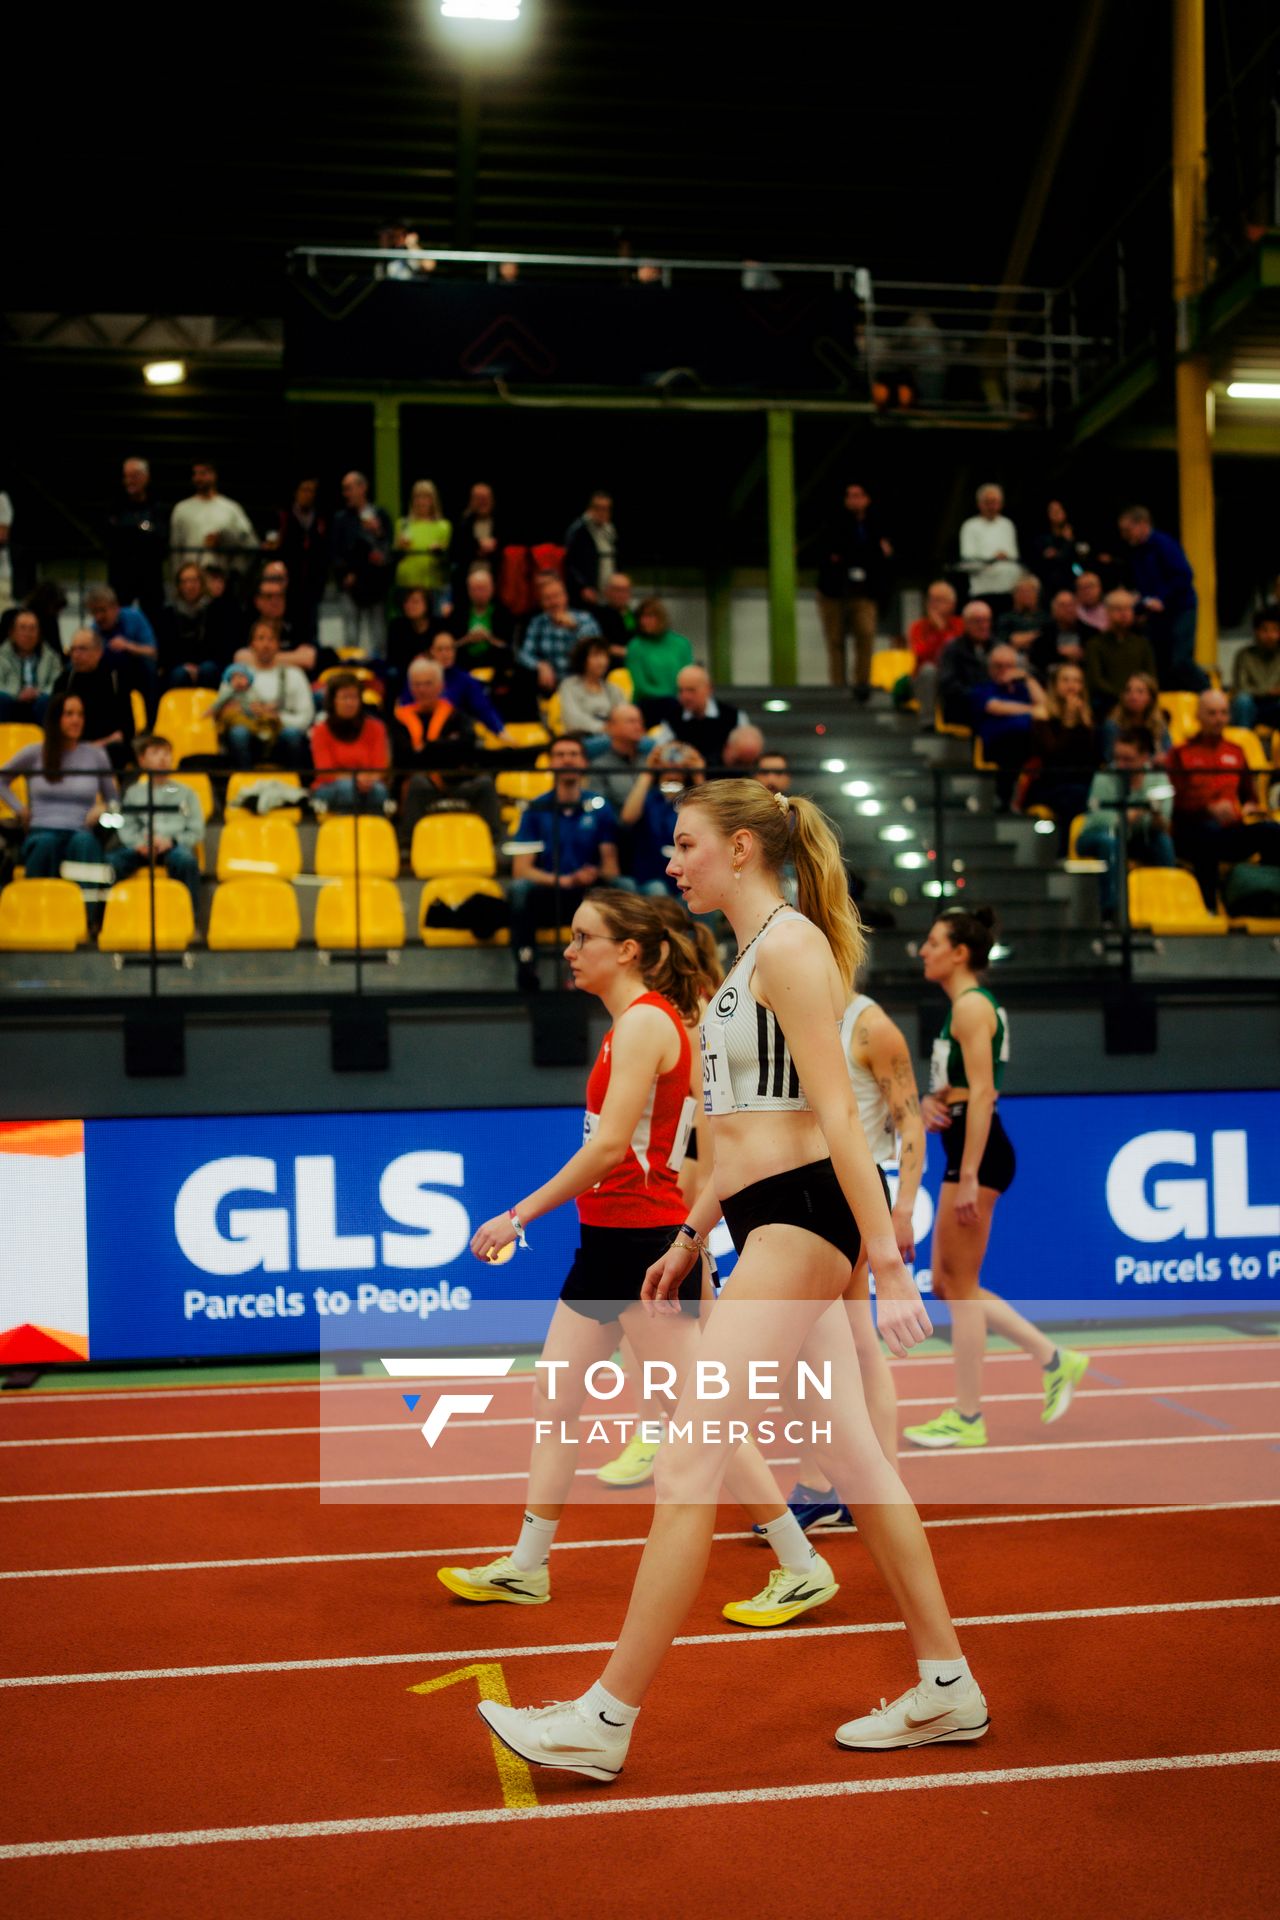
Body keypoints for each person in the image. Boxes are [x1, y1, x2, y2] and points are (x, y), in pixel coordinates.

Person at [478, 781, 985, 1780]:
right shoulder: (743, 965)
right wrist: (690, 1228)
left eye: (685, 846)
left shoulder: (790, 946)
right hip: (760, 1216)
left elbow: (835, 1119)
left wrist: (887, 1261)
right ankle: (946, 1687)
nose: (670, 863)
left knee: (688, 1464)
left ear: (742, 848)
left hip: (802, 1220)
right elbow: (740, 1133)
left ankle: (604, 1719)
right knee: (859, 1465)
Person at [453, 890, 825, 1621]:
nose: (569, 949)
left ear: (626, 950)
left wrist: (518, 1215)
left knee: (700, 1414)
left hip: (641, 1245)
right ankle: (528, 1564)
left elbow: (610, 1146)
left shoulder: (649, 1023)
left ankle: (800, 1560)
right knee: (556, 1394)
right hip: (609, 1241)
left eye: (583, 936)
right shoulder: (634, 1025)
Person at [905, 906, 1088, 1450]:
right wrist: (932, 1101)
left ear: (960, 953)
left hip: (977, 1153)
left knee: (956, 1287)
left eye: (934, 942)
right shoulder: (964, 1009)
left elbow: (984, 1093)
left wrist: (965, 1174)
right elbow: (961, 1088)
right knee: (946, 1284)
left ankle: (969, 1415)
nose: (924, 950)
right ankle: (1054, 1358)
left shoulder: (970, 1008)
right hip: (966, 1142)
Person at [774, 985, 928, 1530]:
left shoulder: (870, 1026)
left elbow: (910, 1121)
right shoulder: (782, 1004)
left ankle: (871, 1485)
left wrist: (904, 1207)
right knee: (817, 1348)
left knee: (855, 1346)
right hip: (800, 1186)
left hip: (854, 1189)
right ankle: (827, 1483)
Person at [510, 736, 620, 991]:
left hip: (588, 891)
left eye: (573, 754)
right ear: (550, 763)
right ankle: (527, 968)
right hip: (548, 892)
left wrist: (593, 873)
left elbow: (611, 868)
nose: (567, 759)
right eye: (560, 755)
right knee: (518, 890)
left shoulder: (599, 808)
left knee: (623, 886)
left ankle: (622, 968)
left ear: (583, 762)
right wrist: (562, 880)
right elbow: (521, 869)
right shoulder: (536, 808)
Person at [1168, 688, 1280, 910]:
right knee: (1206, 832)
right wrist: (1208, 808)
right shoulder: (1181, 753)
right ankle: (1209, 907)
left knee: (1271, 831)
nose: (1218, 719)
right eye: (1212, 713)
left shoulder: (1236, 751)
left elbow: (1249, 796)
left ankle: (1266, 897)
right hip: (1191, 831)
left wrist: (1249, 807)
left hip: (1230, 830)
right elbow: (1174, 802)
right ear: (1198, 716)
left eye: (1223, 713)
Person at [0, 694, 117, 904]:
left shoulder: (95, 755)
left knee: (86, 843)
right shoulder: (35, 752)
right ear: (55, 718)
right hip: (42, 830)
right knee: (46, 844)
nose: (76, 720)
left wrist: (103, 807)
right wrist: (19, 808)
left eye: (80, 714)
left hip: (80, 830)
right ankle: (36, 912)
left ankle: (87, 919)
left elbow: (115, 801)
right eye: (69, 714)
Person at [391, 656, 502, 849]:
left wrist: (427, 750)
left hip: (458, 782)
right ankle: (407, 845)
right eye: (417, 684)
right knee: (416, 782)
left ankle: (494, 844)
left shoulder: (457, 715)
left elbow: (466, 748)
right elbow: (403, 757)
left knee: (484, 783)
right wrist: (446, 746)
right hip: (423, 786)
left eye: (428, 683)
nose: (422, 689)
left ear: (440, 686)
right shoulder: (399, 720)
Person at [1076, 727, 1177, 919]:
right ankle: (1111, 911)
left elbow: (1164, 825)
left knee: (1162, 842)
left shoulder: (1158, 778)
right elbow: (1097, 818)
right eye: (1117, 758)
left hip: (1136, 838)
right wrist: (1129, 815)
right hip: (1095, 837)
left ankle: (1170, 900)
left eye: (1128, 760)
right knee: (1110, 843)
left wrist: (1155, 816)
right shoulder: (1104, 777)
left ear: (1144, 758)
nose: (1120, 765)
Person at [108, 733, 203, 914]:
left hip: (174, 846)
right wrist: (138, 844)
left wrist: (172, 841)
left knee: (187, 861)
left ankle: (191, 920)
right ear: (142, 760)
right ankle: (106, 919)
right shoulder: (134, 793)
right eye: (156, 752)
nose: (162, 758)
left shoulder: (187, 793)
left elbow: (196, 829)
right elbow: (127, 826)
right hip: (142, 847)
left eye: (167, 753)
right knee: (112, 862)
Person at [815, 482, 894, 698]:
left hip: (865, 593)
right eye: (850, 496)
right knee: (835, 640)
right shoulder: (832, 522)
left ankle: (862, 684)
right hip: (834, 592)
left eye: (858, 495)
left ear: (867, 499)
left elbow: (883, 557)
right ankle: (838, 687)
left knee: (866, 634)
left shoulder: (877, 524)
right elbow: (831, 553)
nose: (854, 500)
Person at [1117, 505, 1208, 691]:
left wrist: (1162, 598)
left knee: (1180, 660)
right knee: (1161, 663)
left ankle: (1209, 693)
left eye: (1127, 530)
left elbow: (1184, 575)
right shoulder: (1136, 552)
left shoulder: (1163, 543)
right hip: (1156, 615)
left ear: (1143, 524)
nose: (1125, 535)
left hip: (1180, 609)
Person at [1019, 662, 1098, 847]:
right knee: (1075, 796)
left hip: (1079, 782)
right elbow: (1052, 756)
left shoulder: (1087, 717)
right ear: (1054, 685)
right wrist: (1069, 722)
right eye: (1066, 680)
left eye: (1077, 681)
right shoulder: (1042, 714)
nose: (1072, 686)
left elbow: (1092, 758)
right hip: (1049, 783)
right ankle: (1066, 850)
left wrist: (1085, 725)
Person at [216, 622, 312, 770]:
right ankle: (242, 784)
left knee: (293, 734)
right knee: (238, 733)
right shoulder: (235, 676)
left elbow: (306, 717)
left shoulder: (294, 674)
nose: (266, 644)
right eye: (260, 638)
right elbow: (222, 711)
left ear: (278, 644)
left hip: (280, 736)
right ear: (252, 644)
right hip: (249, 734)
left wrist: (277, 717)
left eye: (271, 639)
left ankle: (296, 786)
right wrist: (243, 712)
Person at [618, 742, 706, 895]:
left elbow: (711, 822)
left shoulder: (693, 800)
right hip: (650, 879)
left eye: (678, 756)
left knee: (706, 890)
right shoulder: (649, 797)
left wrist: (698, 774)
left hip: (687, 879)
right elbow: (627, 818)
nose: (673, 761)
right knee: (657, 890)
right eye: (668, 756)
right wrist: (648, 771)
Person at [971, 645, 1045, 807]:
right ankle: (1006, 797)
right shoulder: (984, 687)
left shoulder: (1023, 688)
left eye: (1009, 666)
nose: (1004, 670)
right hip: (998, 743)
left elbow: (1046, 705)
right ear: (990, 668)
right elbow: (995, 706)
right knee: (1015, 738)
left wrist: (1027, 678)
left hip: (1030, 741)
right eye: (999, 666)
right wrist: (1032, 710)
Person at [331, 471, 393, 659]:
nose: (345, 494)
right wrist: (344, 575)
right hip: (350, 586)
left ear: (363, 488)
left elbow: (388, 550)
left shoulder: (380, 515)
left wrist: (378, 532)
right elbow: (335, 552)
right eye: (344, 489)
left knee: (380, 639)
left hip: (375, 585)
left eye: (349, 488)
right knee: (350, 638)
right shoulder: (341, 519)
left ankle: (381, 676)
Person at [310, 673, 390, 814]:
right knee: (348, 788)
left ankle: (374, 834)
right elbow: (325, 772)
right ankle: (346, 834)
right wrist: (355, 779)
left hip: (368, 784)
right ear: (333, 701)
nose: (350, 702)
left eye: (354, 697)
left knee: (379, 791)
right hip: (329, 787)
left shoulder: (376, 728)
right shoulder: (320, 730)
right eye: (344, 697)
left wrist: (365, 780)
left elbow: (379, 767)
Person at [52, 629, 134, 768]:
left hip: (107, 748)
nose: (76, 654)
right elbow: (53, 724)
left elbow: (126, 729)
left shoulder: (116, 679)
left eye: (82, 649)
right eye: (73, 649)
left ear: (99, 652)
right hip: (72, 747)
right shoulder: (63, 682)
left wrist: (99, 745)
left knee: (118, 750)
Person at [105, 456, 168, 629]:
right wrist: (141, 530)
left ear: (146, 477)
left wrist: (132, 531)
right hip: (121, 576)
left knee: (154, 621)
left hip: (150, 577)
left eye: (134, 475)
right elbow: (111, 538)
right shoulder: (115, 506)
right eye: (126, 476)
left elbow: (160, 540)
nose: (129, 481)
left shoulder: (157, 507)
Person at [264, 479, 329, 644]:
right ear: (296, 492)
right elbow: (272, 544)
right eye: (304, 489)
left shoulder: (321, 518)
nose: (308, 494)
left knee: (309, 630)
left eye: (312, 491)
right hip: (287, 584)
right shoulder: (283, 516)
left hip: (312, 585)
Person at [424, 631, 517, 744]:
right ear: (432, 651)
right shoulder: (420, 675)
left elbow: (483, 707)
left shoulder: (464, 679)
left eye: (449, 649)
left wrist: (501, 731)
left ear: (454, 651)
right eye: (440, 649)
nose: (445, 654)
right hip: (423, 732)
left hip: (452, 736)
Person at [168, 462, 258, 574]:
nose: (198, 478)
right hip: (191, 577)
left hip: (222, 576)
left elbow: (250, 543)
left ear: (213, 475)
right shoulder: (181, 509)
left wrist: (225, 538)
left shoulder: (231, 508)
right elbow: (175, 549)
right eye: (195, 474)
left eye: (203, 473)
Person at [518, 574, 602, 691]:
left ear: (565, 597)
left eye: (556, 596)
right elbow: (524, 654)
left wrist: (575, 628)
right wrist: (540, 665)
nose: (553, 602)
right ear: (541, 602)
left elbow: (597, 652)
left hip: (581, 684)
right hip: (550, 686)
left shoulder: (585, 619)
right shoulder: (538, 623)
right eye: (547, 598)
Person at [84, 584, 158, 716]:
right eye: (94, 612)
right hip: (108, 674)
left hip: (137, 671)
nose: (99, 617)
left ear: (115, 607)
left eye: (102, 610)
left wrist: (127, 646)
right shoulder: (94, 628)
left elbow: (152, 651)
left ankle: (149, 721)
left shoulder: (134, 617)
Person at [1085, 590, 1157, 713]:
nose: (1124, 614)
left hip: (1140, 708)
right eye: (1118, 609)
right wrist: (1124, 697)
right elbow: (1095, 681)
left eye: (1127, 609)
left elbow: (1150, 678)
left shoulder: (1142, 644)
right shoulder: (1095, 644)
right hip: (1107, 707)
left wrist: (1136, 697)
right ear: (1107, 612)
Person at [902, 580, 963, 720]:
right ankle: (928, 721)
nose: (933, 604)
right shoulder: (918, 627)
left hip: (953, 679)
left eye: (939, 600)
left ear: (952, 605)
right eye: (931, 599)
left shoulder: (961, 625)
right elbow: (922, 655)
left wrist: (941, 630)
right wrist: (940, 630)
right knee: (929, 669)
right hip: (924, 681)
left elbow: (958, 656)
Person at [958, 483, 1021, 617]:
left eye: (995, 502)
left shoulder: (1007, 525)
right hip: (983, 592)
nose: (992, 506)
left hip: (1008, 591)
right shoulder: (970, 526)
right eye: (988, 502)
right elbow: (968, 562)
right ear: (979, 504)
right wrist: (993, 559)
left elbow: (1014, 558)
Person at [157, 561, 221, 689]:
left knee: (208, 670)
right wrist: (186, 666)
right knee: (179, 674)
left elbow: (218, 645)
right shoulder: (168, 613)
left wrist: (197, 667)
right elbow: (166, 648)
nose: (189, 586)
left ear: (201, 583)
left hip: (206, 663)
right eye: (184, 581)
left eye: (194, 580)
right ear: (179, 585)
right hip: (178, 665)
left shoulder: (214, 609)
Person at [625, 598, 693, 713]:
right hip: (648, 704)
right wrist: (669, 696)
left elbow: (688, 677)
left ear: (661, 618)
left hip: (679, 701)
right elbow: (641, 686)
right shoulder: (635, 646)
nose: (644, 621)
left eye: (650, 616)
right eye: (642, 617)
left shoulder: (682, 644)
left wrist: (679, 696)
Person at [394, 479, 453, 610]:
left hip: (432, 584)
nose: (421, 501)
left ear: (433, 500)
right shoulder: (403, 524)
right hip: (406, 583)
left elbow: (446, 559)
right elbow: (395, 555)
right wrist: (399, 548)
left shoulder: (443, 526)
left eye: (426, 497)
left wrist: (439, 550)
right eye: (417, 497)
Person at [558, 635, 625, 745]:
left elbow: (624, 714)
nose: (602, 661)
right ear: (583, 659)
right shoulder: (569, 686)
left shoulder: (612, 688)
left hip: (612, 737)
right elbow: (572, 719)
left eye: (605, 656)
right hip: (582, 739)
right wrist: (603, 728)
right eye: (596, 656)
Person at [668, 664, 741, 764]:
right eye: (681, 690)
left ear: (709, 689)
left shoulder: (733, 716)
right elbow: (660, 749)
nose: (685, 696)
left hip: (724, 777)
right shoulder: (671, 717)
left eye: (691, 690)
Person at [0, 608, 61, 723]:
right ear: (12, 633)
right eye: (22, 628)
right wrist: (17, 693)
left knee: (47, 701)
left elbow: (57, 683)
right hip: (11, 700)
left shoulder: (51, 657)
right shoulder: (1, 655)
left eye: (32, 629)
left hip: (40, 701)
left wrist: (39, 693)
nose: (28, 634)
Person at [937, 600, 992, 726]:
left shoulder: (997, 648)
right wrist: (978, 696)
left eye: (987, 620)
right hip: (963, 707)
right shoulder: (952, 649)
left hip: (994, 705)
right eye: (978, 621)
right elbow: (948, 684)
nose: (983, 626)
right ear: (965, 623)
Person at [1028, 499, 1093, 600]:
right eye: (1052, 511)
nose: (1055, 514)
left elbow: (1079, 561)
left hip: (1073, 579)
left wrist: (1068, 542)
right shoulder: (1042, 539)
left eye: (1058, 510)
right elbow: (1044, 563)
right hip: (1049, 582)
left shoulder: (1076, 536)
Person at [1099, 671, 1171, 762]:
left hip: (1152, 773)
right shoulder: (1112, 726)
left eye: (1140, 692)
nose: (1133, 696)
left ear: (1151, 698)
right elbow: (1109, 759)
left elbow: (1168, 755)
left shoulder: (1159, 725)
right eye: (1128, 690)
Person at [588, 702, 648, 810]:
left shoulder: (650, 761)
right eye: (631, 721)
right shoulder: (599, 766)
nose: (638, 726)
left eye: (640, 721)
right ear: (611, 727)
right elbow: (598, 810)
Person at [1230, 605, 1280, 732]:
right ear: (1256, 632)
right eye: (1265, 630)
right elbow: (1241, 687)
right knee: (1242, 701)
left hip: (1276, 705)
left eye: (1275, 630)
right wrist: (1268, 692)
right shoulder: (1244, 655)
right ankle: (1242, 743)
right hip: (1253, 704)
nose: (1270, 635)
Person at [449, 482, 500, 602]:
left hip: (497, 576)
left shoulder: (500, 522)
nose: (483, 502)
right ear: (471, 501)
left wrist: (493, 546)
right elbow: (455, 551)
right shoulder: (462, 522)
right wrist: (478, 546)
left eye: (485, 498)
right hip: (466, 576)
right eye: (479, 499)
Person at [564, 491, 617, 607]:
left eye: (606, 509)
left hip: (607, 586)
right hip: (588, 590)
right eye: (598, 508)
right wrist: (583, 586)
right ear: (590, 509)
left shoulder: (609, 530)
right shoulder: (579, 530)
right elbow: (570, 562)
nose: (602, 513)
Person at [440, 564, 514, 647]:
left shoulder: (503, 613)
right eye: (475, 589)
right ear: (468, 590)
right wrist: (468, 639)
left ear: (492, 588)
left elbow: (508, 647)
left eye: (483, 588)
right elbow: (450, 647)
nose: (479, 593)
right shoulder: (458, 612)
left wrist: (488, 638)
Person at [1029, 589, 1088, 678]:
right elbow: (1038, 660)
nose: (1068, 609)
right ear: (1054, 610)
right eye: (1063, 606)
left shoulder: (1090, 632)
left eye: (1071, 605)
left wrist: (1082, 654)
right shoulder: (1044, 633)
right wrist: (1059, 652)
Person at [594, 572, 637, 663]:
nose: (622, 594)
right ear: (607, 591)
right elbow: (597, 644)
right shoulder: (598, 614)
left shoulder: (631, 615)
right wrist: (624, 651)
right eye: (617, 590)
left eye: (625, 590)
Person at [994, 575, 1043, 655]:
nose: (1026, 595)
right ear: (1014, 595)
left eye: (1030, 591)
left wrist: (1021, 639)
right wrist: (1035, 635)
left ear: (1037, 595)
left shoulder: (1046, 618)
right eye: (1022, 592)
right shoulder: (1005, 618)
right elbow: (1006, 643)